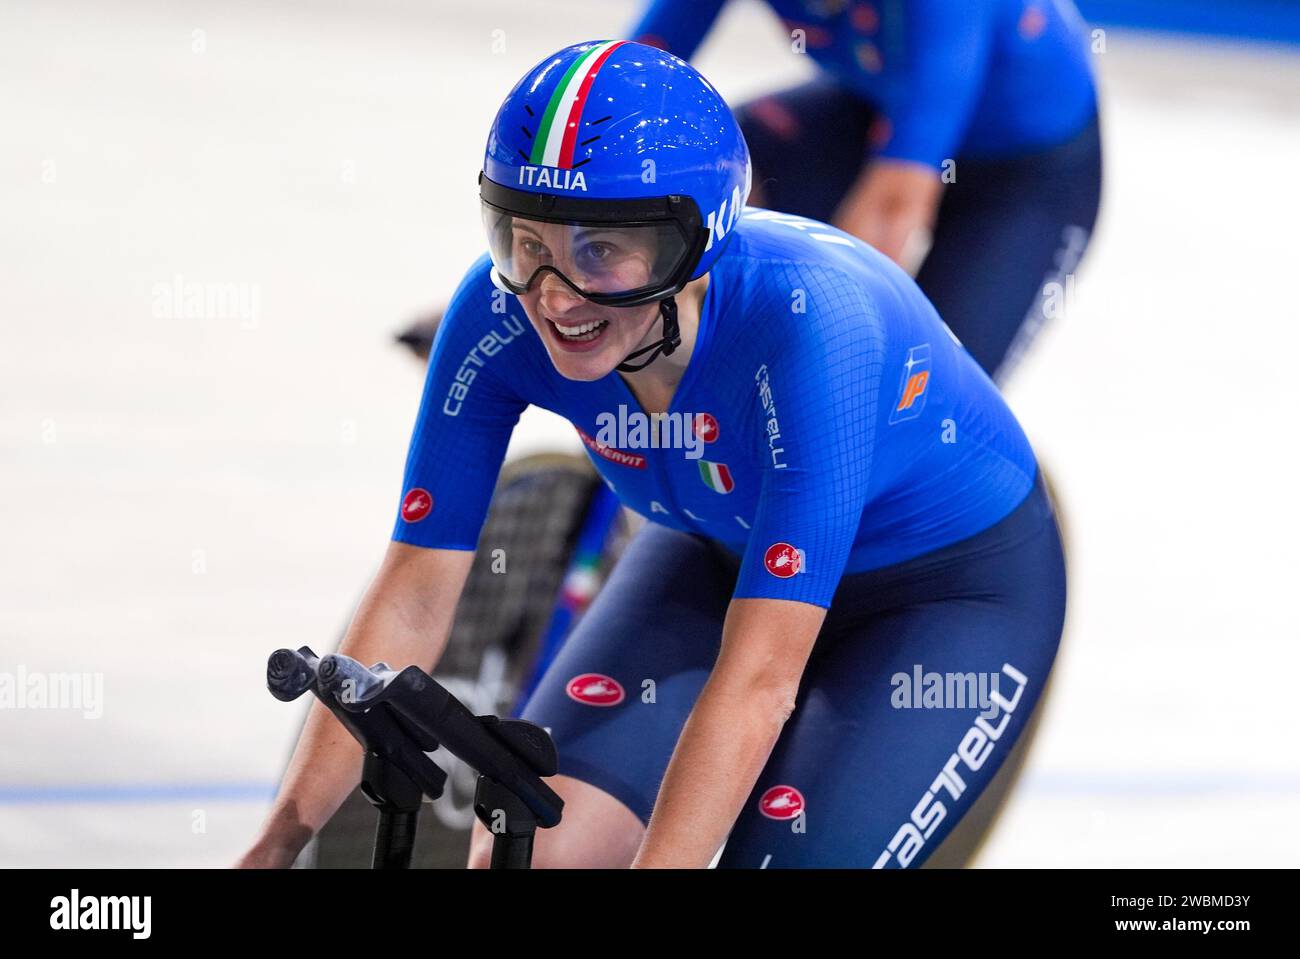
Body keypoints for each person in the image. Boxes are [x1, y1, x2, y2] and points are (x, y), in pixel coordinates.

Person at [238, 40, 1066, 869]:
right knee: (533, 856)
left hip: (943, 597)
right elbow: (415, 591)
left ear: (692, 245)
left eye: (601, 250)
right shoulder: (495, 316)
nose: (557, 295)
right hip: (716, 548)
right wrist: (277, 844)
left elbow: (757, 683)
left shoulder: (814, 331)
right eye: (527, 241)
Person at [631, 0, 1103, 384]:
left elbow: (893, 209)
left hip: (1027, 179)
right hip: (875, 115)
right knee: (723, 165)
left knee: (924, 390)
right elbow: (628, 85)